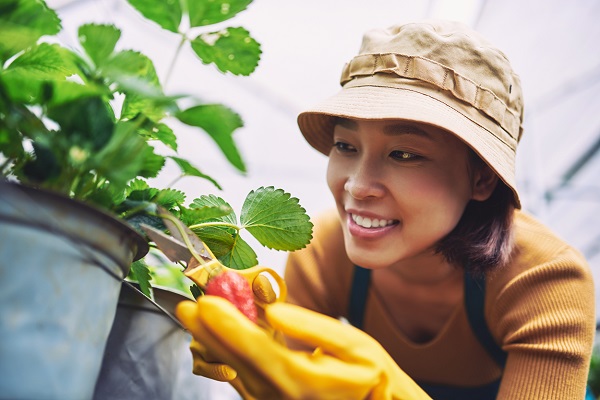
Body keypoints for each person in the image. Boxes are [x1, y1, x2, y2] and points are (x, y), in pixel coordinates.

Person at [176, 20, 596, 399]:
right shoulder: (323, 253)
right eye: (345, 145)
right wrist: (258, 366)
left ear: (482, 177)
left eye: (404, 154)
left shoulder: (544, 280)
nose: (357, 186)